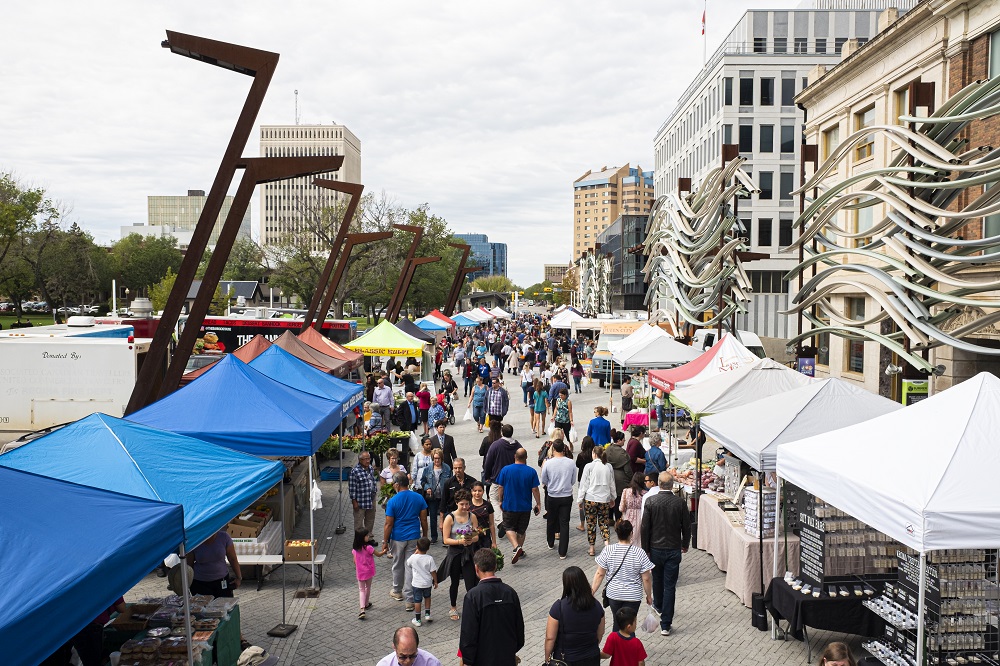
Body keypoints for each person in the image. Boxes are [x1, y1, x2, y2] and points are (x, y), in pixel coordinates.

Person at [640, 472, 691, 636]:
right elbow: (687, 526)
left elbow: (644, 527)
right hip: (673, 549)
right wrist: (685, 544)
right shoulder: (680, 502)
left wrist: (645, 548)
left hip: (655, 548)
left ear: (659, 484)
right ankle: (666, 624)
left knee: (658, 579)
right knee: (670, 585)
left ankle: (660, 606)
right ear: (672, 485)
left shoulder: (650, 501)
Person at [459, 548, 525, 666]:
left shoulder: (473, 596)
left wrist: (468, 660)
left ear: (476, 568)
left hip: (481, 660)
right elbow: (519, 628)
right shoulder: (510, 593)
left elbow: (468, 634)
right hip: (507, 658)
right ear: (495, 567)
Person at [592, 520, 654, 632]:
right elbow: (646, 578)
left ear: (617, 533)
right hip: (633, 596)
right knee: (629, 625)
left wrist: (592, 591)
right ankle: (629, 646)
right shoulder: (640, 553)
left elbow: (600, 573)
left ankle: (615, 645)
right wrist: (649, 595)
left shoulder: (608, 550)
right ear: (631, 533)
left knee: (618, 622)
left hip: (614, 594)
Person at [382, 472, 430, 613]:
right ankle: (410, 600)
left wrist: (385, 541)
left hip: (398, 537)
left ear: (397, 484)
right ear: (407, 483)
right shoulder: (418, 498)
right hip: (414, 536)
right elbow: (423, 520)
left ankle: (397, 590)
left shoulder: (393, 501)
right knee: (410, 567)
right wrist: (425, 536)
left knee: (397, 564)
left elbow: (388, 524)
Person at [544, 566, 605, 666]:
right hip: (591, 657)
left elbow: (550, 638)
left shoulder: (558, 607)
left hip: (565, 659)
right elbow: (601, 632)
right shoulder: (596, 605)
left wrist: (547, 658)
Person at [438, 489, 480, 621]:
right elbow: (445, 539)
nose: (465, 507)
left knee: (471, 582)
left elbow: (476, 535)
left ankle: (473, 607)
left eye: (467, 504)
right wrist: (459, 541)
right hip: (455, 553)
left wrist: (470, 539)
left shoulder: (472, 516)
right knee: (454, 581)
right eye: (462, 504)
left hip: (468, 553)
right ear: (456, 503)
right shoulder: (450, 518)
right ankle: (453, 607)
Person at [494, 447, 542, 564]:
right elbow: (534, 489)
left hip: (509, 505)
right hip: (525, 507)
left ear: (514, 456)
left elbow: (500, 487)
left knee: (508, 527)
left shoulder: (506, 470)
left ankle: (516, 547)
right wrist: (538, 503)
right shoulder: (531, 471)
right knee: (521, 530)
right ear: (526, 458)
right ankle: (519, 550)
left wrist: (500, 500)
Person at [541, 439, 577, 558]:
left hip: (552, 496)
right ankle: (563, 552)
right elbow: (573, 480)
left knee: (551, 520)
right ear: (564, 448)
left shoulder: (548, 463)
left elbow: (544, 480)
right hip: (566, 496)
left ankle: (550, 542)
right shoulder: (571, 462)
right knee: (564, 523)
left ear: (553, 449)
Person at [482, 423, 521, 534]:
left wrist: (487, 475)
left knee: (493, 498)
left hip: (498, 478)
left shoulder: (496, 445)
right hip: (513, 479)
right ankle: (512, 522)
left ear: (502, 432)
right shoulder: (517, 445)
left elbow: (488, 462)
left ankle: (500, 521)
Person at [579, 445, 616, 556]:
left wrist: (580, 499)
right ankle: (607, 545)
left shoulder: (589, 466)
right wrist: (613, 497)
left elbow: (583, 484)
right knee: (604, 522)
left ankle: (592, 548)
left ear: (594, 454)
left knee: (591, 524)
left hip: (590, 498)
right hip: (604, 499)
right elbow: (612, 483)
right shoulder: (608, 466)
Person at [187, 528, 241, 597]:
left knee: (224, 606)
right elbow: (189, 565)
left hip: (222, 581)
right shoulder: (195, 540)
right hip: (200, 583)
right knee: (203, 607)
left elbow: (233, 559)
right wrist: (186, 583)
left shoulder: (224, 537)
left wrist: (239, 577)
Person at [418, 449, 452, 545]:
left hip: (443, 497)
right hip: (432, 497)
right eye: (435, 458)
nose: (437, 461)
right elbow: (423, 481)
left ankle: (445, 537)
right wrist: (427, 487)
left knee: (445, 517)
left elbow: (450, 482)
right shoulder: (428, 469)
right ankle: (434, 537)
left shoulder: (447, 468)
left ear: (441, 458)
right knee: (433, 517)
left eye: (438, 458)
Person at [353, 528, 384, 620]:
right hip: (369, 571)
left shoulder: (355, 549)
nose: (368, 537)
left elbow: (354, 561)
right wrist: (385, 551)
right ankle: (366, 603)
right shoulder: (369, 548)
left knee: (361, 589)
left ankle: (362, 609)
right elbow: (378, 554)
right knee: (368, 588)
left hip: (360, 572)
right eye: (367, 536)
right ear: (363, 538)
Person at [406, 537, 438, 627]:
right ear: (428, 548)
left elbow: (408, 563)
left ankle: (418, 619)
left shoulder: (413, 558)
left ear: (417, 547)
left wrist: (415, 553)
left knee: (417, 601)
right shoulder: (429, 558)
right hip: (427, 583)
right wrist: (435, 581)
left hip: (416, 584)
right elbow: (433, 571)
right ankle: (427, 614)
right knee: (427, 597)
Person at [376, 626, 442, 666]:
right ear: (394, 648)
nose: (408, 661)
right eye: (403, 657)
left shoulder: (431, 663)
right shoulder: (384, 664)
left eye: (412, 656)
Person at [349, 451, 379, 541]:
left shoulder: (370, 468)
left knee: (370, 519)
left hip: (371, 499)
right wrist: (354, 502)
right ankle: (359, 541)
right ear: (360, 460)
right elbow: (352, 488)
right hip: (360, 501)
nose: (368, 461)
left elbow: (373, 481)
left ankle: (368, 538)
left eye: (369, 458)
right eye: (365, 459)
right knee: (359, 522)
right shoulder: (355, 471)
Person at [605, 431, 632, 522]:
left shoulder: (608, 449)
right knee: (618, 499)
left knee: (610, 497)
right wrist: (630, 479)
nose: (624, 441)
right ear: (619, 440)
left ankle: (609, 518)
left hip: (609, 476)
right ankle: (618, 520)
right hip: (620, 479)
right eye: (623, 439)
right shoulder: (623, 453)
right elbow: (627, 470)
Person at [619, 474, 647, 546]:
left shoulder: (626, 491)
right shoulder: (645, 493)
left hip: (628, 516)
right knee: (639, 539)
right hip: (640, 516)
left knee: (627, 537)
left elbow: (621, 508)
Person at [575, 436, 596, 533]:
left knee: (582, 503)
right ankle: (591, 522)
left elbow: (577, 465)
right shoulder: (594, 456)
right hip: (592, 480)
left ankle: (582, 524)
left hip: (582, 481)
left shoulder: (581, 455)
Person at [469, 481, 497, 549]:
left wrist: (494, 542)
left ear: (483, 491)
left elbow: (491, 524)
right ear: (471, 491)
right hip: (472, 537)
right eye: (475, 491)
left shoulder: (488, 505)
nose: (477, 493)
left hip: (485, 537)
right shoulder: (468, 505)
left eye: (479, 491)